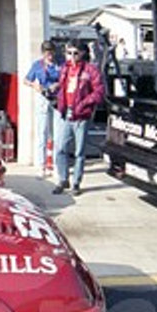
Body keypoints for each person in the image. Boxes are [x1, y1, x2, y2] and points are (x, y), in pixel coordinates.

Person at [53, 39, 104, 196]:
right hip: (64, 112)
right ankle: (63, 178)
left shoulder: (91, 71)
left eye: (75, 53)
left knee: (79, 151)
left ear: (82, 53)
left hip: (81, 115)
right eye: (69, 53)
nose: (72, 56)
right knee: (60, 148)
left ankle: (76, 182)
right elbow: (61, 87)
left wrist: (84, 104)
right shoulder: (64, 69)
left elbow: (99, 92)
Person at [24, 42, 60, 176]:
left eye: (51, 52)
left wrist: (56, 84)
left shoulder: (59, 64)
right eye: (46, 52)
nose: (49, 55)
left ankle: (56, 165)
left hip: (56, 98)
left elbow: (64, 78)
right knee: (42, 132)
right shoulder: (37, 65)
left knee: (55, 133)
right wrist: (35, 85)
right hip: (43, 97)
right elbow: (26, 80)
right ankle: (42, 165)